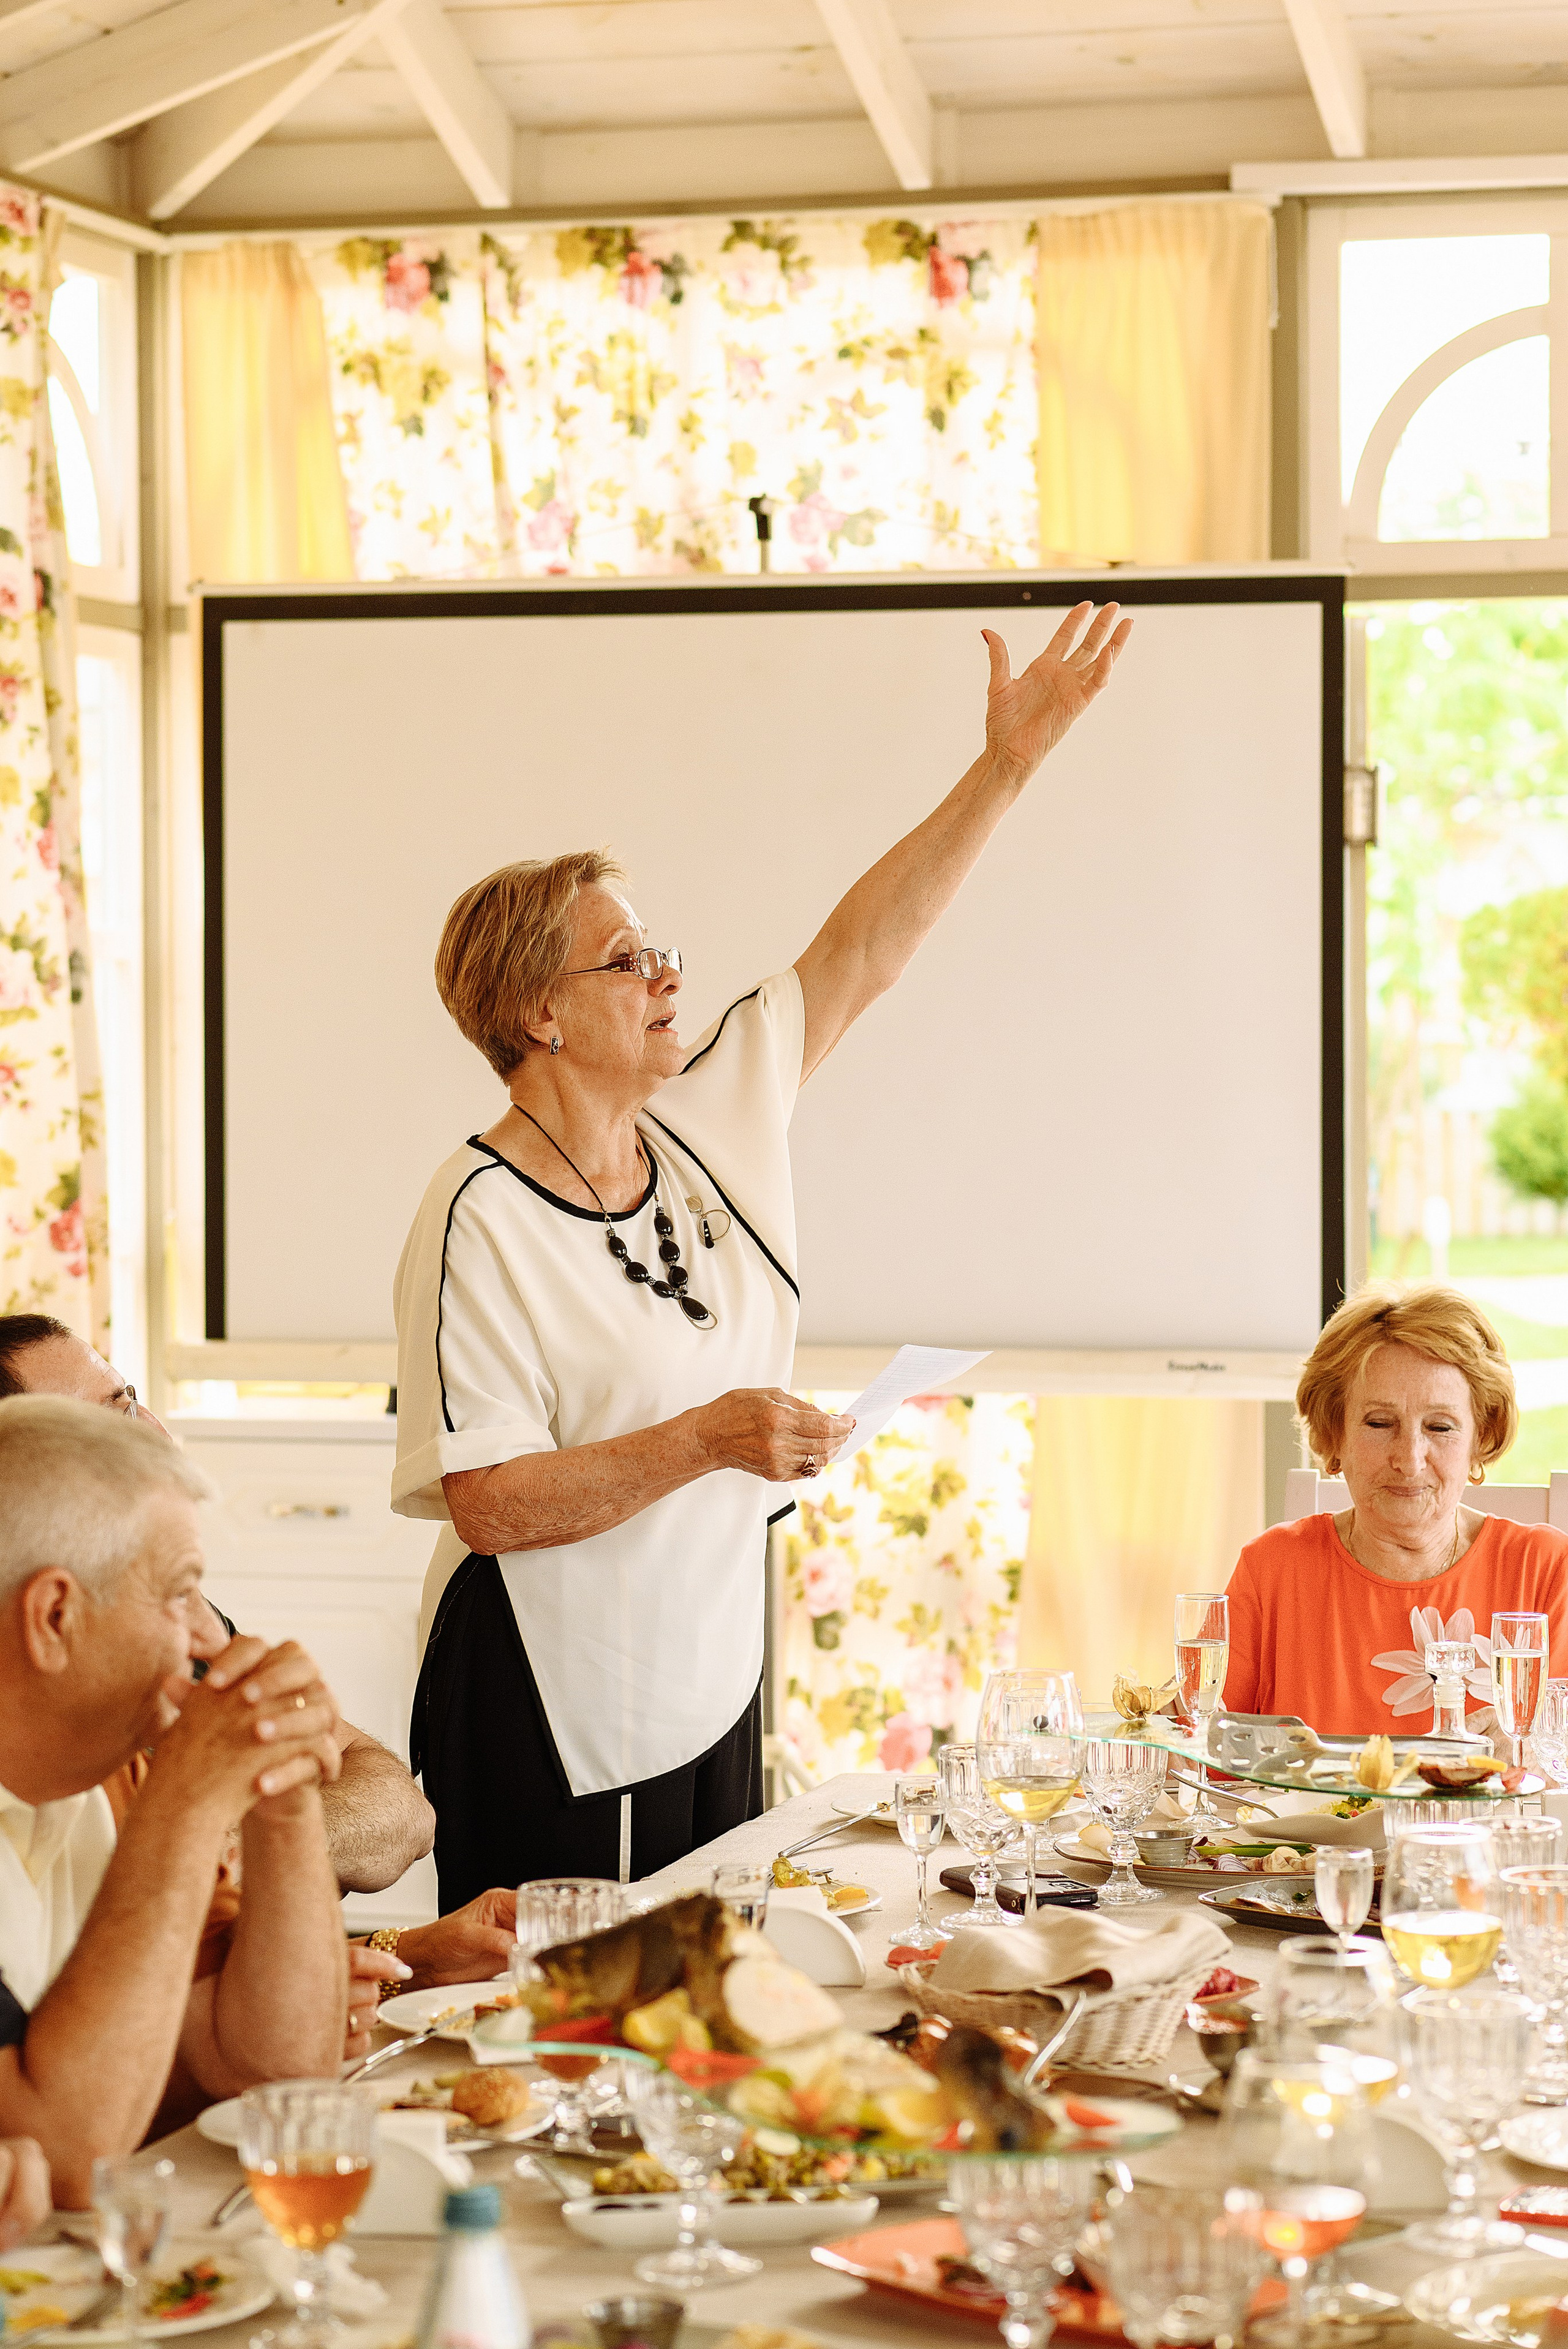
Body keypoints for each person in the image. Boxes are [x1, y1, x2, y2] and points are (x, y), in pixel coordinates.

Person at [394, 603, 1133, 1901]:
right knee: (568, 2030)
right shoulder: (480, 1215)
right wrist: (707, 1438)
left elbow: (862, 949)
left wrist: (1006, 765)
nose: (667, 978)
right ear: (536, 1014)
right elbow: (490, 1501)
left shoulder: (707, 1119)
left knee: (712, 1999)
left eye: (661, 950)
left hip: (708, 1667)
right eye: (627, 961)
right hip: (547, 1695)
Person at [0, 1316, 518, 2045]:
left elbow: (399, 1815)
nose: (155, 1429)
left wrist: (397, 1956)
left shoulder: (161, 1646)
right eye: (111, 1416)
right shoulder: (100, 1702)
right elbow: (73, 2109)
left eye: (135, 1397)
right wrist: (191, 1834)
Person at [0, 1397, 348, 2203]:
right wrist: (189, 1799)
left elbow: (277, 2074)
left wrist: (281, 1799)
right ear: (54, 1615)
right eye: (182, 1593)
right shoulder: (143, 1781)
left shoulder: (93, 1776)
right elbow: (61, 2151)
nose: (209, 1641)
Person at [1224, 1281, 1568, 1735]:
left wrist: (1527, 1754)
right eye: (1380, 1422)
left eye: (1440, 1426)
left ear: (1480, 1439)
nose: (1408, 1459)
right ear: (1335, 1434)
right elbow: (1204, 1760)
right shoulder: (1272, 1569)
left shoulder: (1544, 1570)